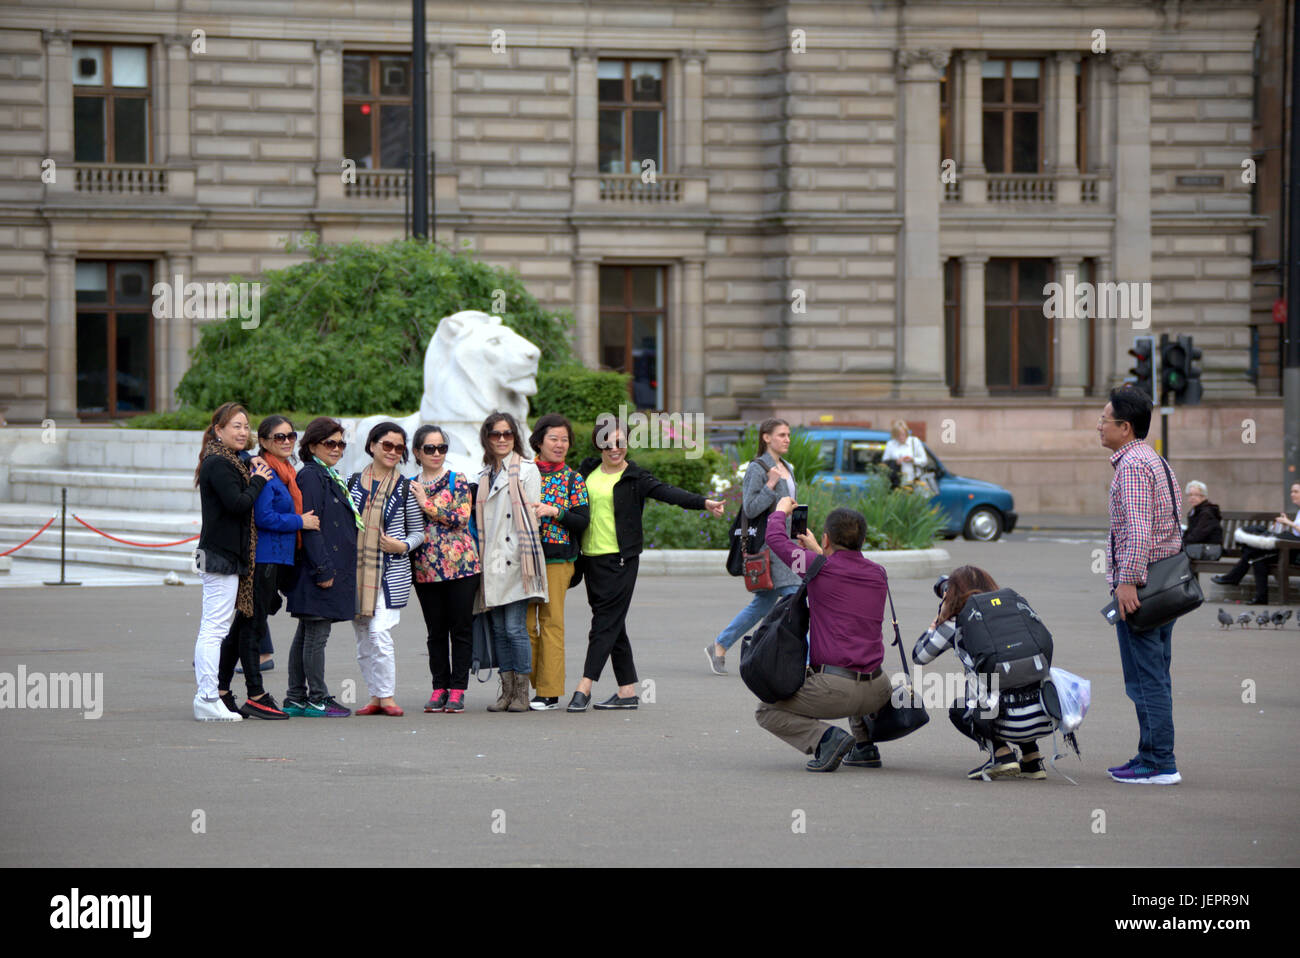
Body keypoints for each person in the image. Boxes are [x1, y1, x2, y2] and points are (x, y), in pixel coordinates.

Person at [568, 417, 726, 712]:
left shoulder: (635, 477)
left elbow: (668, 493)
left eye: (621, 442)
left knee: (603, 623)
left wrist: (704, 502)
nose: (615, 448)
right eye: (608, 442)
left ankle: (584, 686)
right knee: (613, 623)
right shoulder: (587, 471)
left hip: (621, 560)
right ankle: (627, 691)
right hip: (590, 560)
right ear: (598, 443)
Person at [754, 497, 893, 771]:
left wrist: (780, 511)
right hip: (879, 689)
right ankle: (864, 747)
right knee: (858, 658)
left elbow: (775, 540)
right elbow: (843, 574)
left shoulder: (818, 568)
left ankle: (826, 740)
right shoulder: (879, 574)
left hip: (836, 691)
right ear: (862, 540)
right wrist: (821, 551)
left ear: (827, 539)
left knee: (766, 710)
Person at [1099, 386, 1184, 785]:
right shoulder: (1154, 461)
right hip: (1164, 585)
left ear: (1125, 427)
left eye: (1105, 420)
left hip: (1143, 587)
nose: (1099, 427)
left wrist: (1127, 581)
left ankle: (1158, 762)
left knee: (1144, 677)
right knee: (1156, 673)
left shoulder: (1132, 467)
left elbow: (1137, 530)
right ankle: (1151, 753)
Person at [216, 416, 319, 720]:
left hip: (276, 558)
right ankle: (256, 694)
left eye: (290, 436)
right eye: (278, 437)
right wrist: (301, 521)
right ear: (263, 442)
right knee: (252, 626)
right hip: (263, 559)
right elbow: (264, 517)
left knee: (244, 626)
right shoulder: (264, 470)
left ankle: (221, 688)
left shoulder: (285, 472)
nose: (286, 441)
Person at [913, 566, 1055, 780]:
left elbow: (919, 656)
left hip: (1005, 723)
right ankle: (1032, 759)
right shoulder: (1014, 612)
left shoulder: (956, 623)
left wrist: (937, 623)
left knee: (960, 708)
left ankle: (1001, 754)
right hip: (1047, 716)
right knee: (1017, 680)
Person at [192, 402, 272, 721]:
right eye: (235, 425)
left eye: (245, 425)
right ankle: (207, 696)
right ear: (218, 430)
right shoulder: (218, 463)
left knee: (217, 627)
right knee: (214, 628)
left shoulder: (230, 461)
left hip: (227, 555)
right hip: (220, 556)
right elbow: (238, 504)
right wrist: (258, 481)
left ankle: (209, 695)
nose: (242, 431)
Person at [706, 418, 799, 676]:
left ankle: (720, 644)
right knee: (798, 596)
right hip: (771, 545)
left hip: (788, 541)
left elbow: (790, 503)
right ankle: (803, 658)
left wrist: (800, 532)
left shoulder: (788, 467)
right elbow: (750, 507)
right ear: (766, 437)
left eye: (788, 434)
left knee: (765, 601)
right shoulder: (758, 468)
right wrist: (770, 484)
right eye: (781, 434)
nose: (787, 439)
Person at [283, 417, 359, 718]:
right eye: (331, 443)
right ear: (313, 445)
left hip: (323, 567)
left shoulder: (326, 474)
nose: (337, 448)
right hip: (317, 570)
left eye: (341, 443)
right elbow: (310, 527)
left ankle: (295, 697)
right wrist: (324, 570)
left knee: (307, 632)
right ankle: (316, 697)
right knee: (316, 635)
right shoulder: (312, 476)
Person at [349, 421, 425, 717]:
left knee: (379, 633)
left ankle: (388, 695)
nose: (393, 451)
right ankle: (375, 696)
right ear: (372, 446)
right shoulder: (353, 483)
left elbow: (418, 532)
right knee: (363, 639)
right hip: (356, 572)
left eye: (399, 448)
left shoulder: (406, 488)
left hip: (390, 573)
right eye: (387, 445)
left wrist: (402, 546)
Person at [475, 411, 549, 713]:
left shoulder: (528, 470)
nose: (502, 439)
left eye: (507, 434)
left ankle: (521, 692)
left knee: (515, 628)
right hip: (490, 561)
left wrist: (519, 556)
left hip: (518, 560)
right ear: (487, 439)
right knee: (499, 629)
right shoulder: (483, 475)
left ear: (515, 437)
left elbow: (532, 520)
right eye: (496, 434)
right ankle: (505, 692)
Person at [409, 423, 482, 714]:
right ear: (417, 452)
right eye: (430, 448)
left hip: (462, 567)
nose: (437, 453)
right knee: (435, 631)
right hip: (425, 568)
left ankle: (458, 689)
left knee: (461, 629)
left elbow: (461, 518)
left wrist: (426, 504)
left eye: (442, 448)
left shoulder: (457, 480)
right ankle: (439, 686)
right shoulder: (409, 484)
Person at [524, 414, 590, 709]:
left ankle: (549, 691)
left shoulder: (573, 479)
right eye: (554, 438)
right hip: (523, 557)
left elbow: (582, 520)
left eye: (564, 439)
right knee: (523, 625)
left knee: (551, 622)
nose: (560, 444)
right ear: (538, 441)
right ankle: (527, 685)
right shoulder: (523, 473)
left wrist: (556, 512)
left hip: (558, 559)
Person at [1212, 482, 1300, 604]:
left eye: (1296, 491)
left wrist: (1289, 523)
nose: (1292, 494)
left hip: (1296, 553)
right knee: (1258, 558)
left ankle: (1233, 577)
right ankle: (1261, 598)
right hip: (1290, 548)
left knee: (1251, 552)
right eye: (1292, 491)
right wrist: (1283, 525)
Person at [881, 418, 927, 487]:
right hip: (895, 483)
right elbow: (884, 462)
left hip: (913, 482)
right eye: (898, 435)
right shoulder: (891, 444)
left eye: (903, 434)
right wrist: (896, 462)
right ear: (894, 435)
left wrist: (913, 460)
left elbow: (924, 461)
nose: (901, 437)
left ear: (906, 433)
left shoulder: (914, 442)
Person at [1183, 480, 1223, 546]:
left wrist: (1181, 543)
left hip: (1208, 548)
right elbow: (1190, 533)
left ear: (1204, 496)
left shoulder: (1207, 513)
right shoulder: (1195, 511)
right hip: (1197, 547)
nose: (1192, 497)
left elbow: (1198, 534)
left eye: (1196, 495)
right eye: (1190, 495)